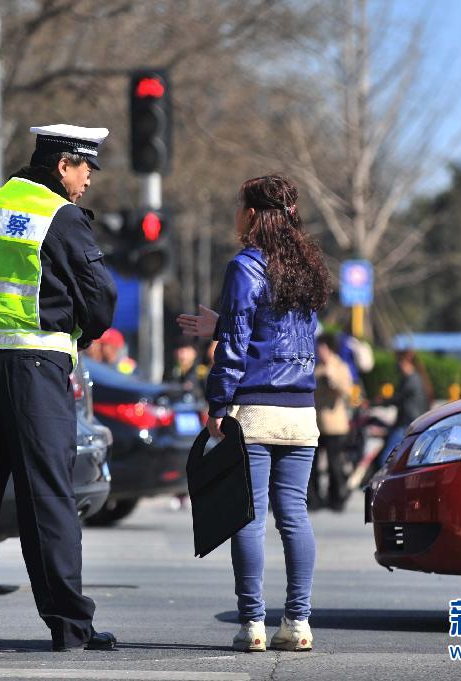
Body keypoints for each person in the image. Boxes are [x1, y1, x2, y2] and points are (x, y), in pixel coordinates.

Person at [0, 124, 118, 653]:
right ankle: (69, 626)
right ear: (63, 164)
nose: (89, 179)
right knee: (48, 495)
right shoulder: (56, 215)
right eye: (86, 167)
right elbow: (101, 298)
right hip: (34, 366)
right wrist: (77, 335)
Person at [182, 175, 331, 653]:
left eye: (238, 206)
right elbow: (283, 331)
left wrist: (217, 405)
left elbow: (238, 346)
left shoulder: (246, 267)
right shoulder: (307, 269)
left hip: (255, 410)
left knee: (249, 519)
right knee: (295, 515)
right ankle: (299, 622)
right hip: (302, 413)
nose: (235, 214)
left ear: (252, 215)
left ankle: (252, 626)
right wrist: (223, 321)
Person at [311, 334, 354, 512]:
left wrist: (333, 379)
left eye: (323, 348)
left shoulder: (340, 367)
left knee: (334, 464)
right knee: (312, 464)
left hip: (335, 425)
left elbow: (348, 391)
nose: (320, 351)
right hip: (316, 423)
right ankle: (313, 499)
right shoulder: (316, 367)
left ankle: (337, 498)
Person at [376, 349, 432, 464]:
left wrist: (377, 402)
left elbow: (398, 398)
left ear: (405, 362)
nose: (398, 366)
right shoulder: (417, 379)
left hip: (406, 424)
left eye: (399, 362)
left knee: (386, 460)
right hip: (413, 423)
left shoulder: (411, 380)